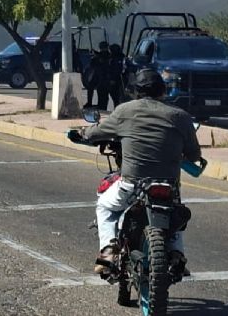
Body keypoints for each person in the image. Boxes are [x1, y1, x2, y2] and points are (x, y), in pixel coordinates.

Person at [73, 69, 201, 276]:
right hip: (169, 185)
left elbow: (96, 133)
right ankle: (177, 255)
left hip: (133, 184)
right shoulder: (181, 116)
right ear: (163, 91)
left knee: (105, 206)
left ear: (136, 91)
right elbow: (194, 153)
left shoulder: (125, 111)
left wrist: (81, 133)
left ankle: (108, 251)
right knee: (174, 217)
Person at [84, 42, 111, 109]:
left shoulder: (108, 56)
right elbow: (92, 64)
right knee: (91, 88)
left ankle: (100, 105)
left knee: (102, 92)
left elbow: (102, 59)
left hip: (104, 77)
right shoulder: (103, 55)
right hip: (98, 76)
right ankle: (90, 103)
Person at [107, 43, 126, 108]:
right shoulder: (121, 58)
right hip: (120, 80)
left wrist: (113, 79)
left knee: (116, 97)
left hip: (116, 80)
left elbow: (115, 70)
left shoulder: (115, 59)